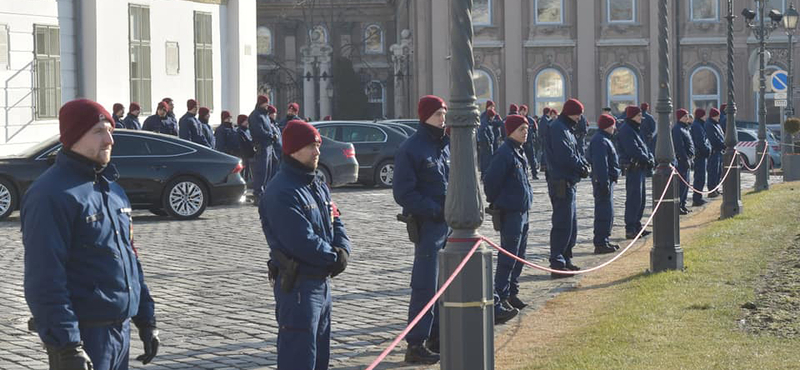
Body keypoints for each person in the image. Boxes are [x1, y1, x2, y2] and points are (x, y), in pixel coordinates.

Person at [22, 99, 160, 370]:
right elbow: (45, 278)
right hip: (85, 337)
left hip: (120, 334)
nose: (109, 139)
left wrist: (146, 320)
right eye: (98, 131)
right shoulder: (51, 195)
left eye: (110, 130)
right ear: (74, 136)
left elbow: (130, 259)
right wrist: (67, 345)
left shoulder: (112, 191)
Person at [259, 119, 351, 370]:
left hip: (322, 284)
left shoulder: (317, 184)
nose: (317, 151)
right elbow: (301, 240)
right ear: (293, 150)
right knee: (298, 358)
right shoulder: (281, 191)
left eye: (318, 145)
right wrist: (333, 258)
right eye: (311, 146)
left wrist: (343, 249)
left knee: (320, 356)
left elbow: (335, 220)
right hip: (299, 288)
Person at [393, 95, 449, 364]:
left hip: (447, 225)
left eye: (444, 114)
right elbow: (403, 192)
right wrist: (434, 210)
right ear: (425, 116)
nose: (443, 118)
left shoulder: (444, 145)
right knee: (425, 285)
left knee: (444, 285)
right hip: (428, 225)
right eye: (438, 114)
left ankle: (437, 335)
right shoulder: (411, 148)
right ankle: (416, 343)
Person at [484, 115, 531, 323]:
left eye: (526, 128)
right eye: (521, 129)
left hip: (522, 212)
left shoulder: (519, 152)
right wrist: (501, 202)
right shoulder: (504, 153)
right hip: (510, 213)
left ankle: (512, 292)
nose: (525, 132)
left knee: (519, 256)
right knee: (508, 258)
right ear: (510, 131)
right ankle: (500, 298)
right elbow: (491, 182)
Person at [544, 99, 590, 278]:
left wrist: (583, 164)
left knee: (571, 225)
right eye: (578, 114)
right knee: (562, 224)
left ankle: (566, 257)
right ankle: (557, 262)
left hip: (569, 183)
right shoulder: (558, 128)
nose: (580, 118)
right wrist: (581, 167)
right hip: (561, 183)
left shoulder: (567, 129)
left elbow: (576, 152)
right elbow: (565, 156)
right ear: (570, 113)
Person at [617, 105, 654, 240]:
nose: (641, 118)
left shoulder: (635, 129)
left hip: (640, 168)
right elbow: (633, 149)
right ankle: (631, 228)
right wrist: (646, 158)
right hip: (633, 168)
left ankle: (637, 226)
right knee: (633, 199)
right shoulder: (627, 130)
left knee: (641, 199)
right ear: (632, 116)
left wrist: (649, 157)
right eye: (639, 116)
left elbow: (643, 146)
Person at [587, 114, 621, 253]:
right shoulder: (600, 140)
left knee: (608, 212)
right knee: (604, 212)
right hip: (603, 182)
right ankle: (601, 242)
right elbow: (601, 164)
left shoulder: (604, 139)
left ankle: (604, 240)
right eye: (613, 125)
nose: (615, 128)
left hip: (607, 181)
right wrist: (604, 182)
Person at [249, 96, 283, 203]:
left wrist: (273, 136)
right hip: (261, 146)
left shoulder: (265, 115)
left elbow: (269, 127)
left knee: (268, 171)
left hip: (269, 146)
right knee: (261, 171)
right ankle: (258, 194)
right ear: (260, 103)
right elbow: (258, 131)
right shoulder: (255, 115)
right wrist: (270, 135)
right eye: (265, 103)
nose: (267, 105)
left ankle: (264, 192)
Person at [672, 108, 695, 215]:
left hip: (688, 158)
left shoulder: (686, 129)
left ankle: (683, 204)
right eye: (685, 116)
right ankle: (679, 205)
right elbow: (679, 146)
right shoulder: (677, 129)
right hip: (682, 161)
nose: (687, 118)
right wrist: (684, 158)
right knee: (682, 184)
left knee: (686, 184)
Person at [690, 108, 712, 207]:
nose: (705, 117)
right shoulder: (697, 126)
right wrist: (706, 150)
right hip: (700, 156)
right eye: (704, 115)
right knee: (699, 177)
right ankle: (697, 198)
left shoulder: (699, 125)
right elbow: (700, 141)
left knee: (702, 177)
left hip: (702, 155)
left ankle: (699, 196)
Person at [705, 108, 725, 198]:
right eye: (718, 115)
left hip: (719, 151)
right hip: (714, 152)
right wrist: (722, 145)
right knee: (713, 171)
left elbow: (721, 136)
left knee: (718, 171)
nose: (719, 117)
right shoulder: (709, 125)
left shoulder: (716, 124)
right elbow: (713, 139)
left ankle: (716, 189)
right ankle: (712, 189)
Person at [519, 105, 539, 179]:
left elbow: (535, 129)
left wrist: (533, 138)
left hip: (529, 142)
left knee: (532, 158)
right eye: (521, 110)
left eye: (524, 110)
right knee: (521, 159)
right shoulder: (517, 119)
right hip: (520, 142)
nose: (523, 112)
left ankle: (534, 174)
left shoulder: (530, 120)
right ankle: (523, 173)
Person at [478, 107, 497, 180]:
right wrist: (488, 142)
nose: (493, 118)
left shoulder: (487, 122)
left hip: (488, 145)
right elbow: (483, 133)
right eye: (493, 116)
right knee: (486, 161)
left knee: (487, 161)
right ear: (490, 116)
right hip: (487, 146)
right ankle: (485, 176)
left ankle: (485, 175)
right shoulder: (485, 123)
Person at [236, 114, 256, 182]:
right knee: (244, 171)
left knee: (249, 170)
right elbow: (244, 143)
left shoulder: (247, 130)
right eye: (246, 121)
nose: (247, 122)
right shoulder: (239, 132)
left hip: (250, 154)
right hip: (244, 155)